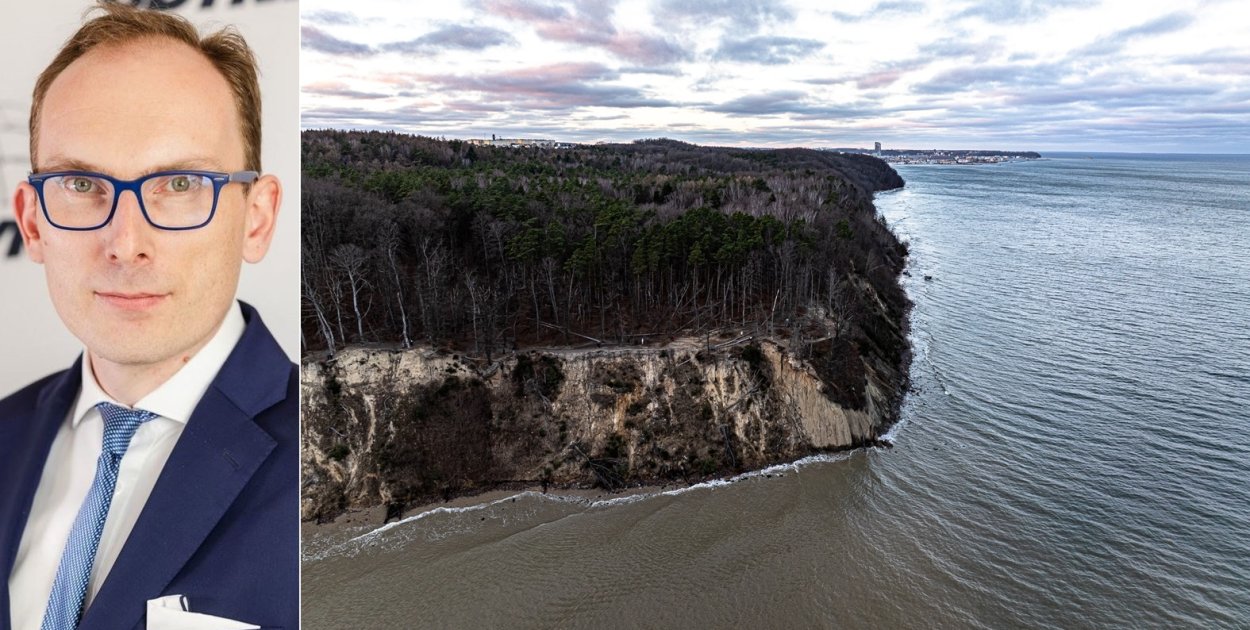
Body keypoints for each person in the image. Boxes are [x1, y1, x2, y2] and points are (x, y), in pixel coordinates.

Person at [0, 4, 296, 629]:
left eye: (181, 183)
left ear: (257, 218)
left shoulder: (323, 456)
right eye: (81, 187)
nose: (125, 241)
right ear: (32, 221)